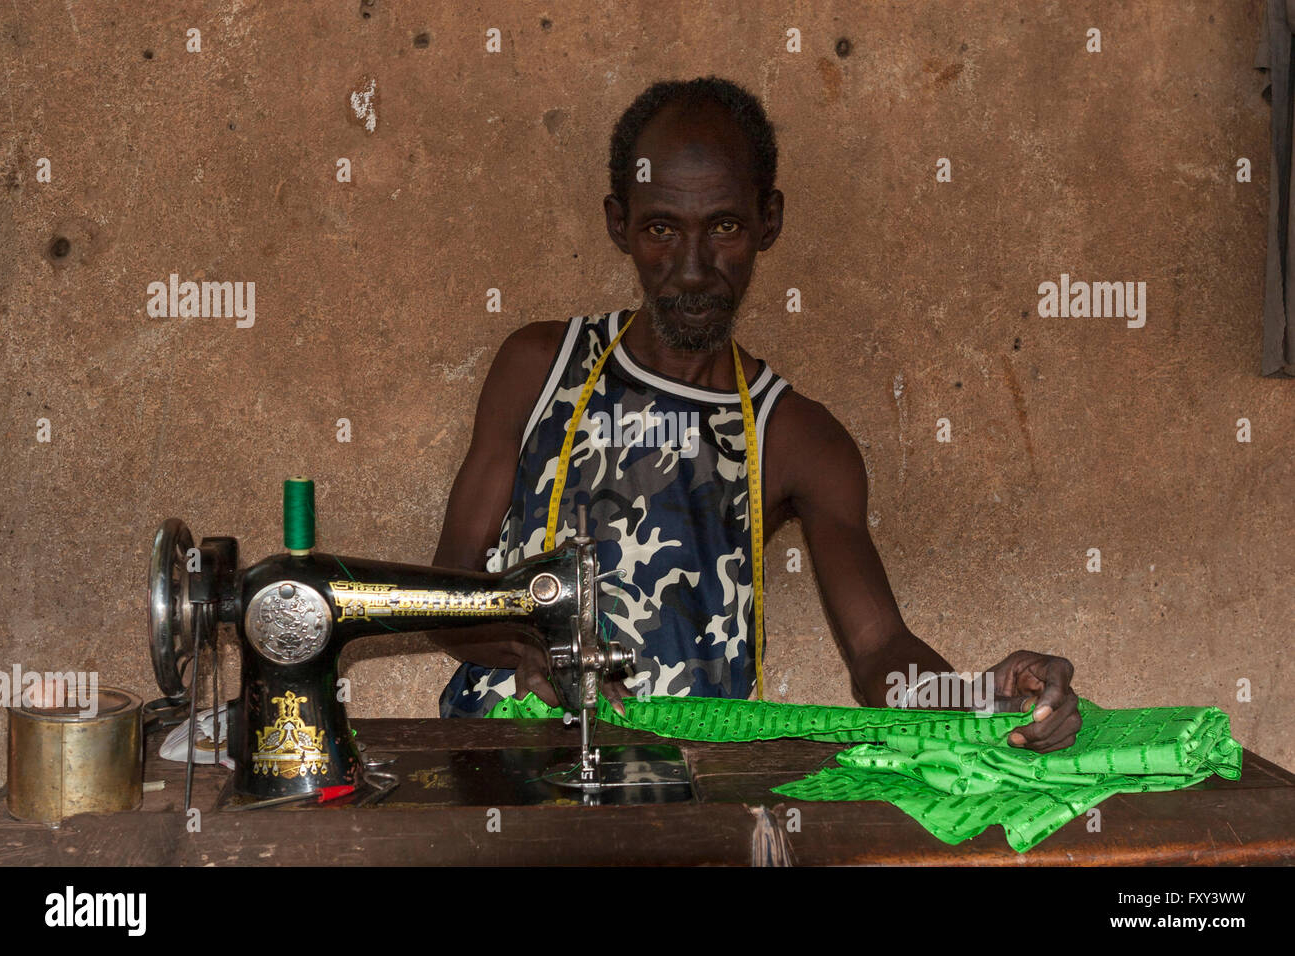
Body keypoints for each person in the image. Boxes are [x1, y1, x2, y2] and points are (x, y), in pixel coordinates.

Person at [432, 77, 1080, 752]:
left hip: (690, 790)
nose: (691, 268)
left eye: (725, 227)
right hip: (503, 764)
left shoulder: (798, 438)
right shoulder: (538, 367)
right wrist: (527, 645)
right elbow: (447, 597)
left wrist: (979, 698)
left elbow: (879, 652)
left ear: (768, 221)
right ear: (617, 223)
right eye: (661, 228)